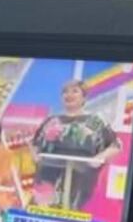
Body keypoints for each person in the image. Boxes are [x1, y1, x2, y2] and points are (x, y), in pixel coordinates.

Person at [31, 80, 121, 209]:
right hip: (48, 177)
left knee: (72, 210)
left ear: (84, 97)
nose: (69, 95)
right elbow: (34, 143)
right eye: (65, 92)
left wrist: (99, 158)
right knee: (44, 209)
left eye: (75, 91)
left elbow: (115, 146)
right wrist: (35, 156)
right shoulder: (52, 120)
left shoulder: (94, 121)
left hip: (80, 177)